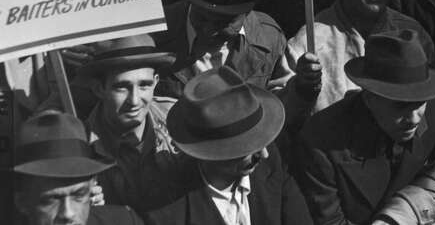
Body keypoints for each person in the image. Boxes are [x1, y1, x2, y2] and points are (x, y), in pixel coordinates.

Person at [296, 31, 435, 225]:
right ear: (369, 98)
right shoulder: (321, 141)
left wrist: (406, 213)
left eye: (420, 103)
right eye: (400, 106)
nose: (414, 118)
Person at [152, 0, 323, 123]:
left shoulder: (269, 38)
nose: (209, 30)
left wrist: (302, 87)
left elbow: (279, 109)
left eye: (223, 23)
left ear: (247, 13)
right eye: (201, 18)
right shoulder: (155, 35)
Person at [286, 0, 435, 113]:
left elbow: (431, 107)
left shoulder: (413, 34)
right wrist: (300, 91)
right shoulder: (309, 42)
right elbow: (281, 119)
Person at [147, 68, 312, 225]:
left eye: (262, 141)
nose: (264, 154)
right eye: (246, 148)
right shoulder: (169, 209)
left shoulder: (271, 165)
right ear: (212, 153)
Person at [76, 35, 182, 213]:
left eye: (144, 85)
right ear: (99, 89)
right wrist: (89, 211)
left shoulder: (178, 118)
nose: (134, 100)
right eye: (121, 87)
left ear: (156, 82)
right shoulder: (79, 147)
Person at [12, 111, 142, 225]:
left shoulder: (124, 221)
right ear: (22, 202)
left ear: (92, 187)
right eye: (51, 200)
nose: (68, 213)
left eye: (79, 195)